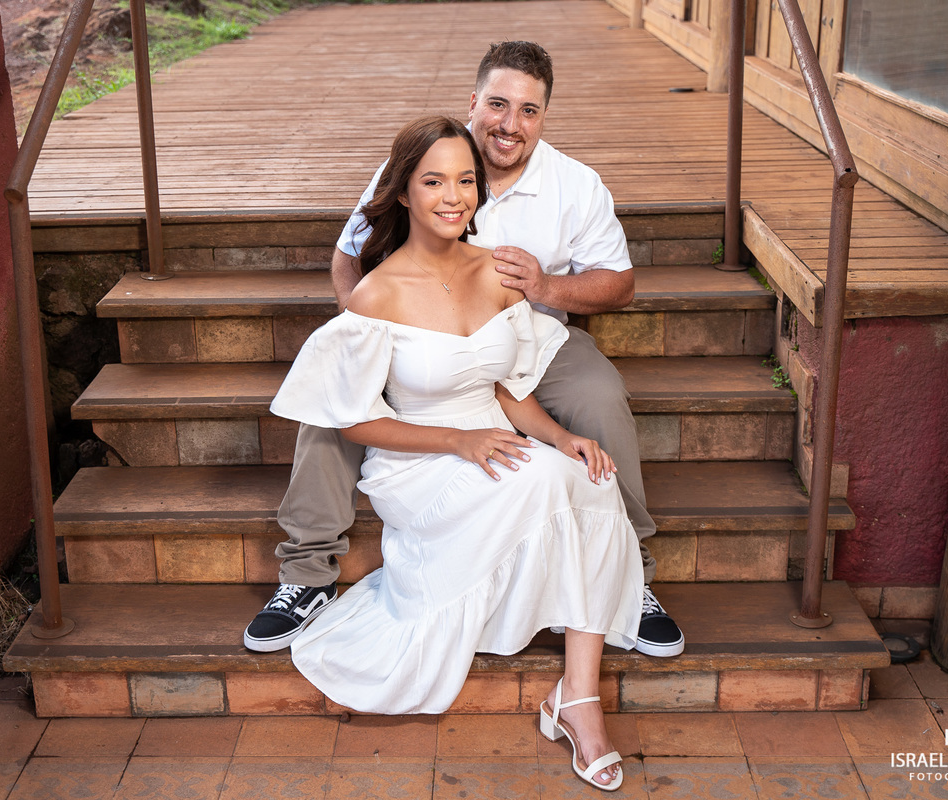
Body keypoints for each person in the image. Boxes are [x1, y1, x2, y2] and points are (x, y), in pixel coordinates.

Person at [245, 41, 684, 660]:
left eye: (529, 111)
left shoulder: (575, 185)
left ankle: (629, 570)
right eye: (498, 104)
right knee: (333, 404)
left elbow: (620, 283)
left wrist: (547, 286)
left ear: (544, 117)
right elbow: (349, 254)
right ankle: (308, 572)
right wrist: (370, 337)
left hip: (530, 337)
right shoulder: (419, 163)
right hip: (421, 338)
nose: (510, 124)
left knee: (599, 396)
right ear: (473, 102)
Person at [270, 115, 639, 791]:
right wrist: (457, 442)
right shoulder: (378, 292)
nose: (454, 195)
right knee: (538, 486)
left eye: (466, 180)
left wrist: (561, 437)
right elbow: (355, 423)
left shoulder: (497, 270)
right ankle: (560, 677)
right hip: (420, 458)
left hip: (493, 438)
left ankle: (577, 698)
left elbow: (503, 388)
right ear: (403, 191)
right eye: (434, 180)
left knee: (590, 479)